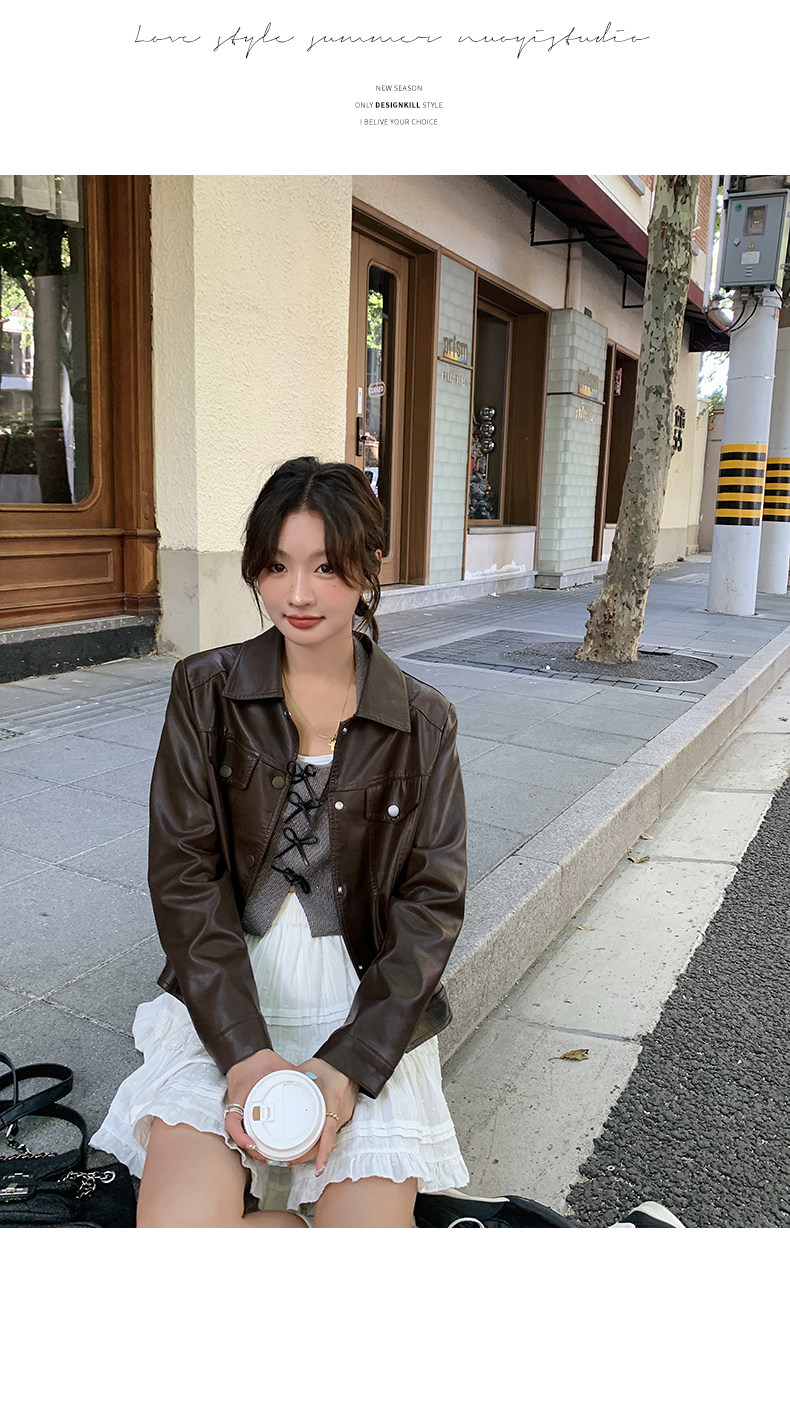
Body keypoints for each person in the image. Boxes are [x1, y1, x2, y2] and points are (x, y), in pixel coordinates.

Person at [91, 456, 469, 1227]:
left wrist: (351, 1064)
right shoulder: (206, 691)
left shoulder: (423, 721)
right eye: (276, 565)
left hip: (362, 1002)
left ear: (370, 564)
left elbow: (431, 906)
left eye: (326, 566)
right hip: (229, 989)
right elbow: (184, 875)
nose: (298, 594)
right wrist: (241, 1050)